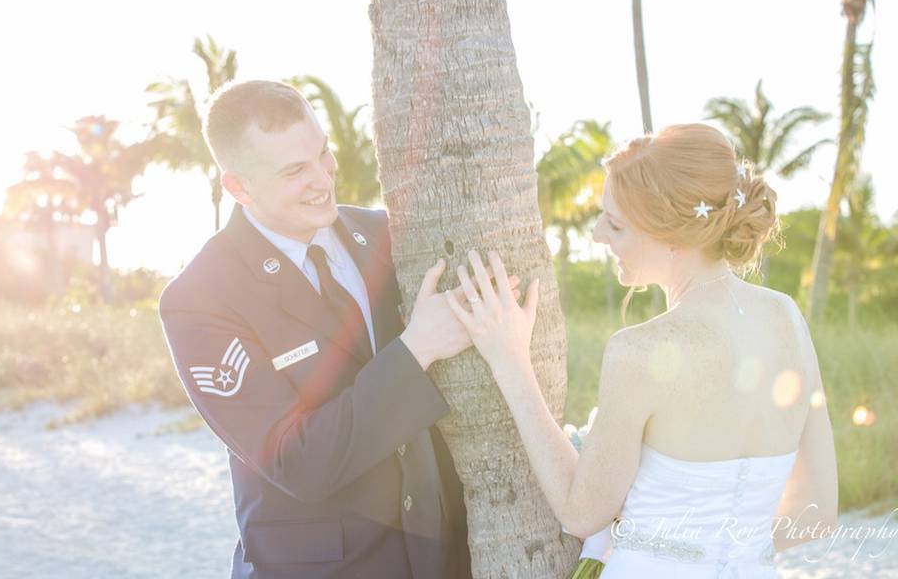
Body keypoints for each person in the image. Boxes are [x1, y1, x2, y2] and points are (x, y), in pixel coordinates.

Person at [444, 124, 839, 578]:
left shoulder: (641, 351)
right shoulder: (788, 319)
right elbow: (816, 515)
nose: (596, 234)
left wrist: (511, 361)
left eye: (614, 223)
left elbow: (580, 513)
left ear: (673, 235)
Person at [158, 80, 512, 578]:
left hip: (436, 556)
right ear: (238, 187)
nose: (323, 179)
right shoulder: (200, 300)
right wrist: (417, 349)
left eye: (322, 154)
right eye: (295, 171)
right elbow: (297, 461)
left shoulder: (386, 235)